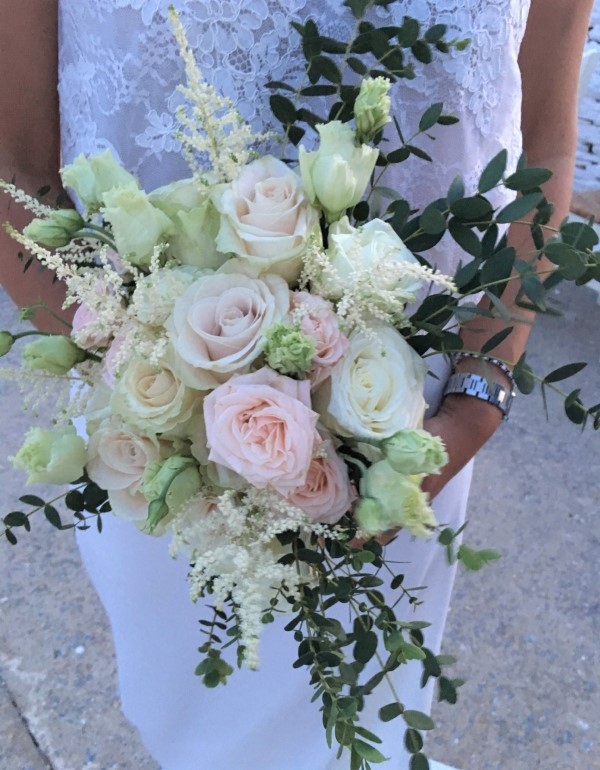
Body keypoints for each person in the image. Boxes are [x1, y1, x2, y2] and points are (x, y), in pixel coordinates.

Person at [0, 1, 593, 768]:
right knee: (197, 720)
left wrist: (475, 406)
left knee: (366, 716)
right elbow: (13, 157)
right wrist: (151, 378)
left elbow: (541, 130)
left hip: (406, 410)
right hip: (153, 416)